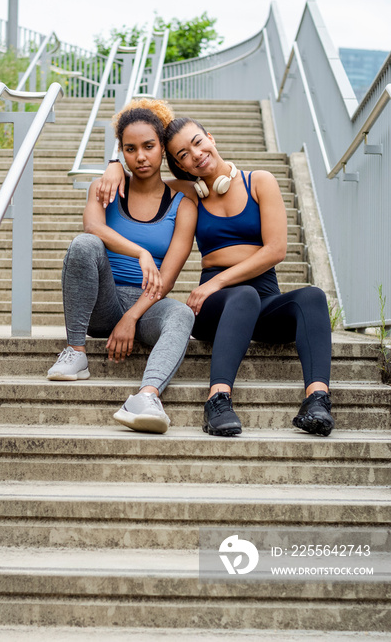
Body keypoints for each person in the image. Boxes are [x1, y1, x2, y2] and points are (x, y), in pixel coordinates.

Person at [97, 107, 334, 438]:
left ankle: (317, 400)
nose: (196, 155)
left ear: (210, 138)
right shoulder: (189, 192)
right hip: (213, 306)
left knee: (312, 296)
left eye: (197, 143)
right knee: (243, 295)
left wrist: (222, 279)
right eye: (183, 155)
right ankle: (218, 401)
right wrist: (113, 166)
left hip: (261, 298)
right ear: (179, 164)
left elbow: (276, 250)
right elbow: (144, 172)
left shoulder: (259, 181)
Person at [47, 99, 197, 435]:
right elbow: (92, 229)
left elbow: (168, 279)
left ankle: (146, 397)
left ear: (163, 148)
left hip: (146, 308)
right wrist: (141, 252)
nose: (140, 157)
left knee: (183, 315)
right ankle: (75, 352)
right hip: (103, 300)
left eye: (149, 146)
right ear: (121, 151)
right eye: (129, 149)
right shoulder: (105, 188)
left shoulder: (182, 204)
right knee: (83, 245)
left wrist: (131, 318)